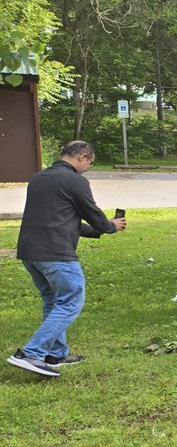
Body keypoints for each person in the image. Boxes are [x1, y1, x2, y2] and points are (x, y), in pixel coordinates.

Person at [8, 141, 126, 378]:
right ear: (83, 156)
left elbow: (63, 220)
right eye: (90, 164)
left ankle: (57, 354)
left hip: (31, 252)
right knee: (71, 300)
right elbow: (93, 214)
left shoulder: (39, 178)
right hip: (56, 254)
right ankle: (31, 353)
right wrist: (110, 226)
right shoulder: (75, 180)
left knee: (53, 301)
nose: (87, 168)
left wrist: (99, 231)